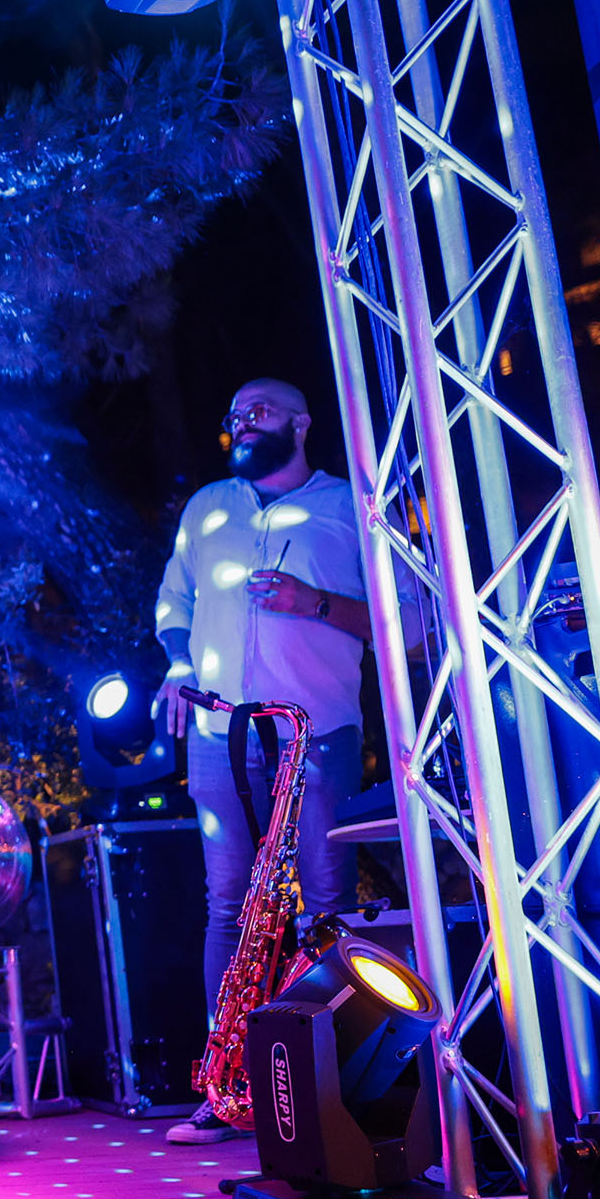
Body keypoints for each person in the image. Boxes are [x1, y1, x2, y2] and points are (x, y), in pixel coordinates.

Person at [154, 378, 372, 1146]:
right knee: (228, 908)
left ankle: (330, 1092)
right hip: (221, 733)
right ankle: (228, 1088)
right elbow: (173, 603)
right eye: (234, 415)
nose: (241, 423)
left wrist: (314, 603)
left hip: (317, 734)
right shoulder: (207, 508)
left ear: (301, 423)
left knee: (325, 908)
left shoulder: (348, 505)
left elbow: (408, 622)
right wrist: (180, 665)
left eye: (259, 412)